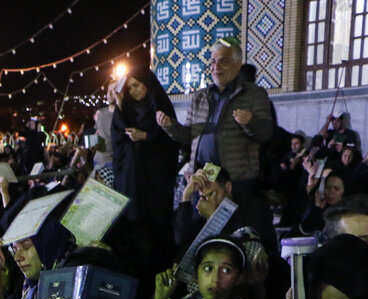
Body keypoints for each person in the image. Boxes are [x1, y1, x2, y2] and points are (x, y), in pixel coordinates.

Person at [157, 39, 273, 193]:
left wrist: (250, 122)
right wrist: (170, 126)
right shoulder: (199, 97)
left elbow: (265, 134)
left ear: (238, 65)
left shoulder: (254, 94)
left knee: (233, 217)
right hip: (201, 179)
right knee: (199, 217)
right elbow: (188, 137)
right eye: (212, 62)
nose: (216, 68)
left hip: (236, 181)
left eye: (223, 62)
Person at [111, 65, 179, 244]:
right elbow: (118, 138)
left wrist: (146, 136)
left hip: (155, 183)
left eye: (138, 85)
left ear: (147, 84)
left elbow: (171, 141)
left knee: (157, 233)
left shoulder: (160, 105)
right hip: (132, 183)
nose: (134, 91)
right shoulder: (127, 108)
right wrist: (119, 105)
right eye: (130, 87)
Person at [173, 164, 277, 255]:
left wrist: (213, 217)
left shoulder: (255, 206)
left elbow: (238, 251)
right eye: (204, 197)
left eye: (212, 194)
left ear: (228, 188)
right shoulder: (203, 206)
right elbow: (182, 240)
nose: (209, 201)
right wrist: (186, 195)